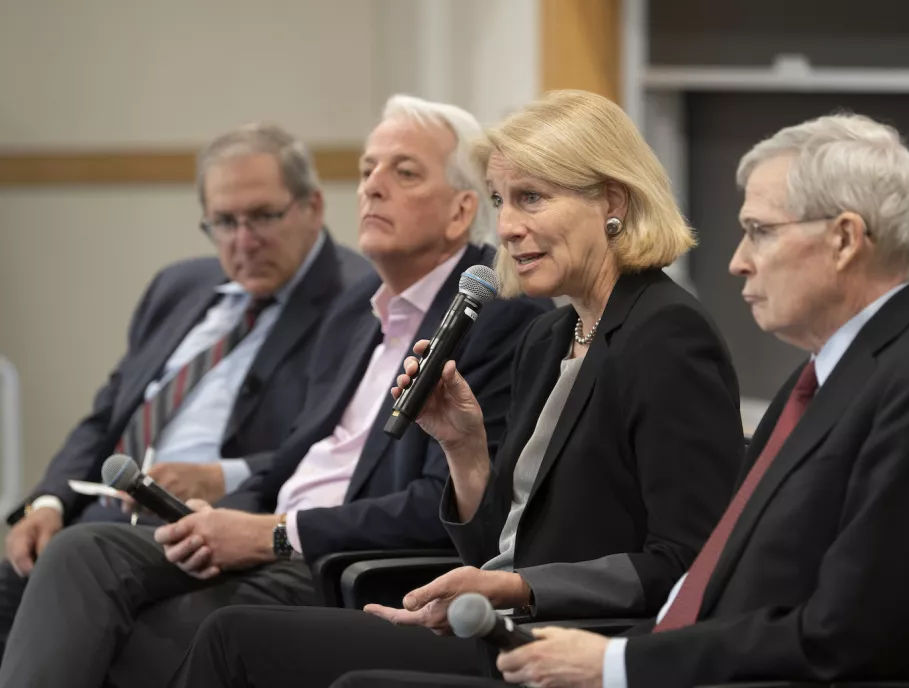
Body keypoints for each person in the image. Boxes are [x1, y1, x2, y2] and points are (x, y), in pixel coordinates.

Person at [332, 112, 909, 688]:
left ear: (846, 239)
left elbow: (848, 635)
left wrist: (619, 663)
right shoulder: (834, 377)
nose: (737, 260)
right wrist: (466, 449)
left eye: (759, 231)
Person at [167, 89, 746, 688]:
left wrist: (515, 586)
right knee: (234, 633)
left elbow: (689, 562)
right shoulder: (550, 335)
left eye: (532, 199)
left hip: (583, 645)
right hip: (497, 626)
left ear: (613, 201)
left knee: (263, 649)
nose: (510, 228)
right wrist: (465, 447)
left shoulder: (667, 335)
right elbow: (499, 540)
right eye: (500, 201)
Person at [0, 95, 550, 688]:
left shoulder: (496, 317)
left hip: (335, 560)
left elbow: (439, 506)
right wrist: (219, 519)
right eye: (367, 170)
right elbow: (292, 461)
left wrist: (277, 532)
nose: (371, 187)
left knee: (141, 633)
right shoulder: (354, 310)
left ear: (460, 211)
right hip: (265, 534)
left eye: (404, 172)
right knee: (81, 552)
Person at [0, 122, 372, 657]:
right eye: (224, 222)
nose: (244, 241)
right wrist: (47, 501)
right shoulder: (178, 287)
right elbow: (106, 418)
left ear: (313, 206)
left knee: (80, 575)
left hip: (206, 521)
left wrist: (223, 476)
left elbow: (337, 447)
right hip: (101, 514)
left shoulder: (357, 299)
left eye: (264, 216)